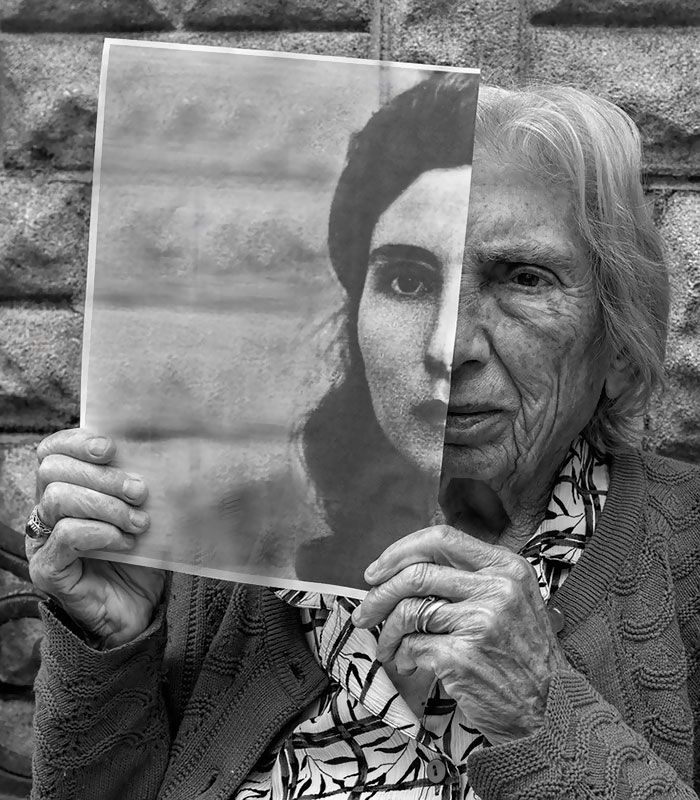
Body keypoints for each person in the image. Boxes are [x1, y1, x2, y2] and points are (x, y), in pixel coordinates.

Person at [24, 77, 700, 800]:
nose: (452, 346)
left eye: (523, 278)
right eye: (407, 281)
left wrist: (535, 711)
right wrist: (109, 644)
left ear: (620, 343)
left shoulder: (681, 548)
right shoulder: (220, 550)